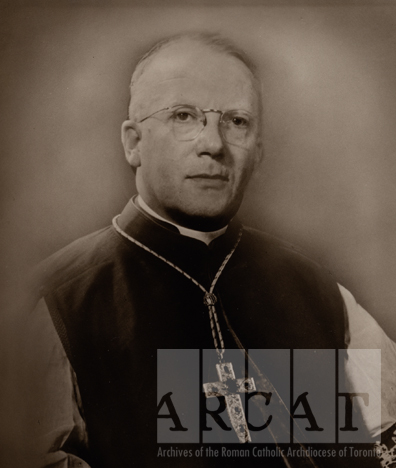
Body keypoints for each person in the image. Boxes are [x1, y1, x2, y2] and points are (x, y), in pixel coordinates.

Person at [24, 33, 396, 468]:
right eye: (184, 116)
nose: (214, 144)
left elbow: (387, 440)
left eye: (237, 122)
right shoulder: (55, 303)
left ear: (258, 150)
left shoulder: (318, 289)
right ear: (133, 143)